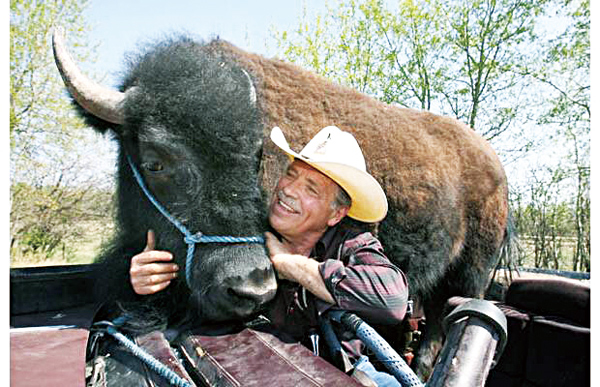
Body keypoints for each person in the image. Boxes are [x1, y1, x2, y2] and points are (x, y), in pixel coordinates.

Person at [129, 126, 409, 386]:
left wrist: (291, 265)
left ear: (336, 214)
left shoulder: (354, 243)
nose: (287, 190)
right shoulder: (246, 229)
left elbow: (393, 300)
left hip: (346, 371)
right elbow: (194, 280)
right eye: (290, 174)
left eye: (310, 188)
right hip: (257, 368)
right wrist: (150, 281)